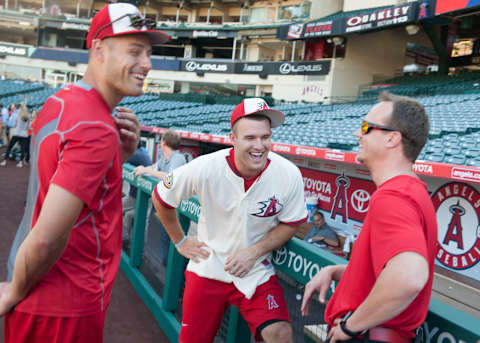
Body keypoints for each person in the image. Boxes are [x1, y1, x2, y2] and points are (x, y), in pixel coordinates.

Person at [0, 3, 169, 343]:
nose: (147, 64)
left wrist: (115, 159)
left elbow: (61, 187)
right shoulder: (95, 126)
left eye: (149, 53)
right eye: (134, 51)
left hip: (42, 289)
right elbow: (48, 237)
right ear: (98, 50)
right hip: (62, 304)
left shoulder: (61, 101)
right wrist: (15, 289)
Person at [152, 98, 308, 343]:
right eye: (250, 138)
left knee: (281, 335)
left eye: (265, 137)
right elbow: (161, 196)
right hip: (208, 265)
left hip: (255, 270)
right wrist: (180, 240)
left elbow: (292, 222)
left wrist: (255, 251)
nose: (260, 145)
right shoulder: (205, 166)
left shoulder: (288, 173)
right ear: (232, 139)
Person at [301, 92, 437, 343]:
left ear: (391, 139)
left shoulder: (394, 196)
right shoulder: (412, 189)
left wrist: (351, 327)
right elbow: (384, 272)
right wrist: (337, 270)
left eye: (365, 127)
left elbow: (409, 277)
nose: (357, 134)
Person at [135, 129, 186, 265]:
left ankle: (180, 283)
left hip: (179, 212)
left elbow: (170, 178)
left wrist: (146, 170)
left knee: (175, 253)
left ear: (164, 143)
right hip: (167, 209)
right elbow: (155, 167)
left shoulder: (178, 158)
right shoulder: (165, 158)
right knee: (166, 254)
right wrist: (143, 168)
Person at [0, 103, 30, 168]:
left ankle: (4, 161)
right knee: (22, 149)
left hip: (17, 133)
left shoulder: (17, 115)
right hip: (24, 134)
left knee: (10, 147)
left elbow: (14, 124)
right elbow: (28, 126)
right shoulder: (28, 116)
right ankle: (21, 162)